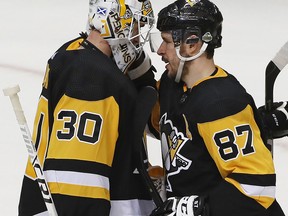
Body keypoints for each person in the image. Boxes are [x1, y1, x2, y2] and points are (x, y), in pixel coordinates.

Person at [146, 0, 286, 215]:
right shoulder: (170, 83)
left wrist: (195, 207)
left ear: (191, 43)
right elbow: (158, 124)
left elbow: (257, 187)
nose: (160, 50)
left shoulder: (221, 102)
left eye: (166, 41)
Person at [18, 0, 157, 215]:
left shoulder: (74, 51)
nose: (138, 38)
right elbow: (77, 178)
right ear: (117, 22)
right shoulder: (93, 76)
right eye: (136, 26)